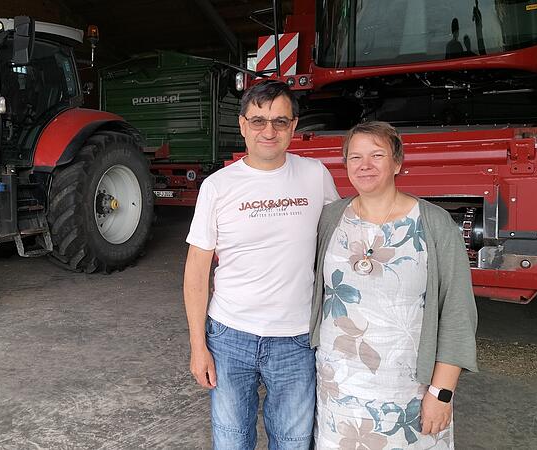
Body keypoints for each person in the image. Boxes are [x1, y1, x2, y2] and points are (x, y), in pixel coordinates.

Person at [183, 79, 340, 449]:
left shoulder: (315, 176)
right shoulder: (218, 187)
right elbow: (196, 271)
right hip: (229, 337)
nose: (268, 131)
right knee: (232, 440)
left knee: (293, 440)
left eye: (280, 121)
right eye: (258, 121)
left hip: (297, 339)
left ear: (294, 126)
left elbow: (341, 240)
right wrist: (197, 346)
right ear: (242, 125)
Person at [310, 121, 478, 449]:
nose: (365, 165)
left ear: (397, 163)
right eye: (355, 157)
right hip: (337, 390)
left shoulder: (432, 222)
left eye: (377, 155)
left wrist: (441, 393)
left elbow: (458, 311)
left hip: (408, 394)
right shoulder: (331, 218)